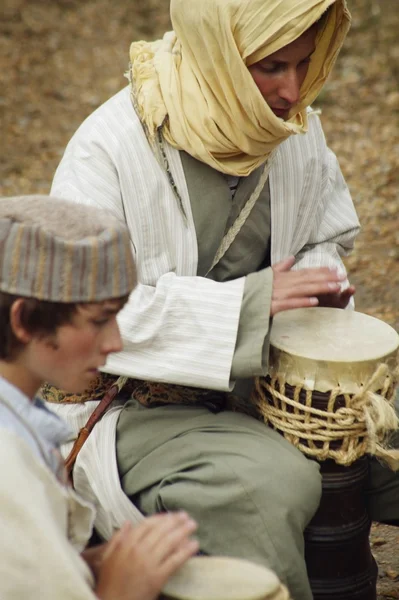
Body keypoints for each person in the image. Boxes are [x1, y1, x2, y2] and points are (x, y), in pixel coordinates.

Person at [47, 1, 399, 599]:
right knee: (266, 486)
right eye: (272, 67)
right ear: (221, 55)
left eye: (305, 65)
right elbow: (85, 311)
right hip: (134, 406)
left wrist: (315, 292)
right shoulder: (108, 148)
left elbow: (321, 234)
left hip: (269, 380)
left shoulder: (292, 128)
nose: (292, 90)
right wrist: (251, 305)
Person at [0, 195, 199, 600]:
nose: (116, 342)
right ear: (23, 320)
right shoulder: (7, 469)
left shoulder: (21, 417)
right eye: (98, 320)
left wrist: (84, 568)